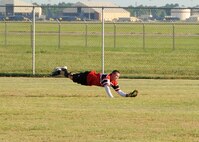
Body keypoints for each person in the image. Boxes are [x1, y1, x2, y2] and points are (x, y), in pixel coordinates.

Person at [51, 66, 138, 98]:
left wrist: (127, 95)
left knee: (72, 78)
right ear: (112, 74)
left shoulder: (114, 81)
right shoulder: (107, 77)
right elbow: (107, 87)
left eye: (118, 77)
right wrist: (111, 98)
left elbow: (119, 91)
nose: (117, 78)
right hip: (88, 76)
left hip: (89, 82)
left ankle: (62, 70)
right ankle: (63, 70)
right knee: (72, 78)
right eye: (116, 76)